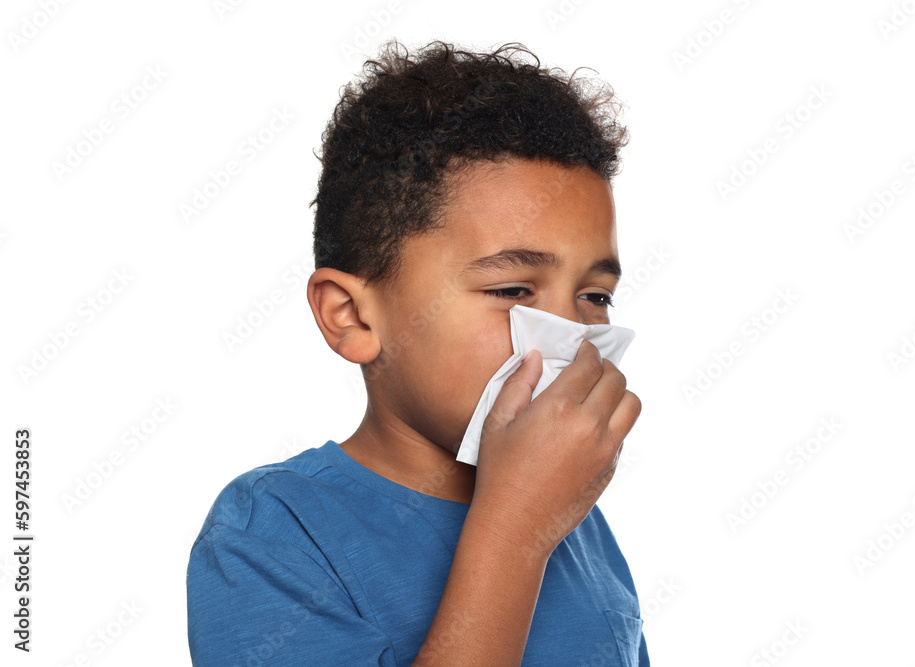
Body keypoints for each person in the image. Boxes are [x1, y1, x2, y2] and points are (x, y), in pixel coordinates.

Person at [186, 38, 648, 665]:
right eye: (511, 289)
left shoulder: (580, 529)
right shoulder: (272, 528)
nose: (568, 331)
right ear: (351, 316)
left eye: (595, 296)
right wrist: (516, 528)